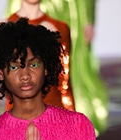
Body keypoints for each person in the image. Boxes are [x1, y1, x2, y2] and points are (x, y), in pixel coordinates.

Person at [7, 0, 109, 133]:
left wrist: (88, 17)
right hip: (48, 8)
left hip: (69, 9)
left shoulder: (58, 27)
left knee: (65, 70)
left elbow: (64, 81)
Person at [0, 0, 74, 126]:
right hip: (18, 120)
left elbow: (64, 83)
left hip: (54, 120)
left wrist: (73, 126)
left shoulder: (60, 28)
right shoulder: (0, 30)